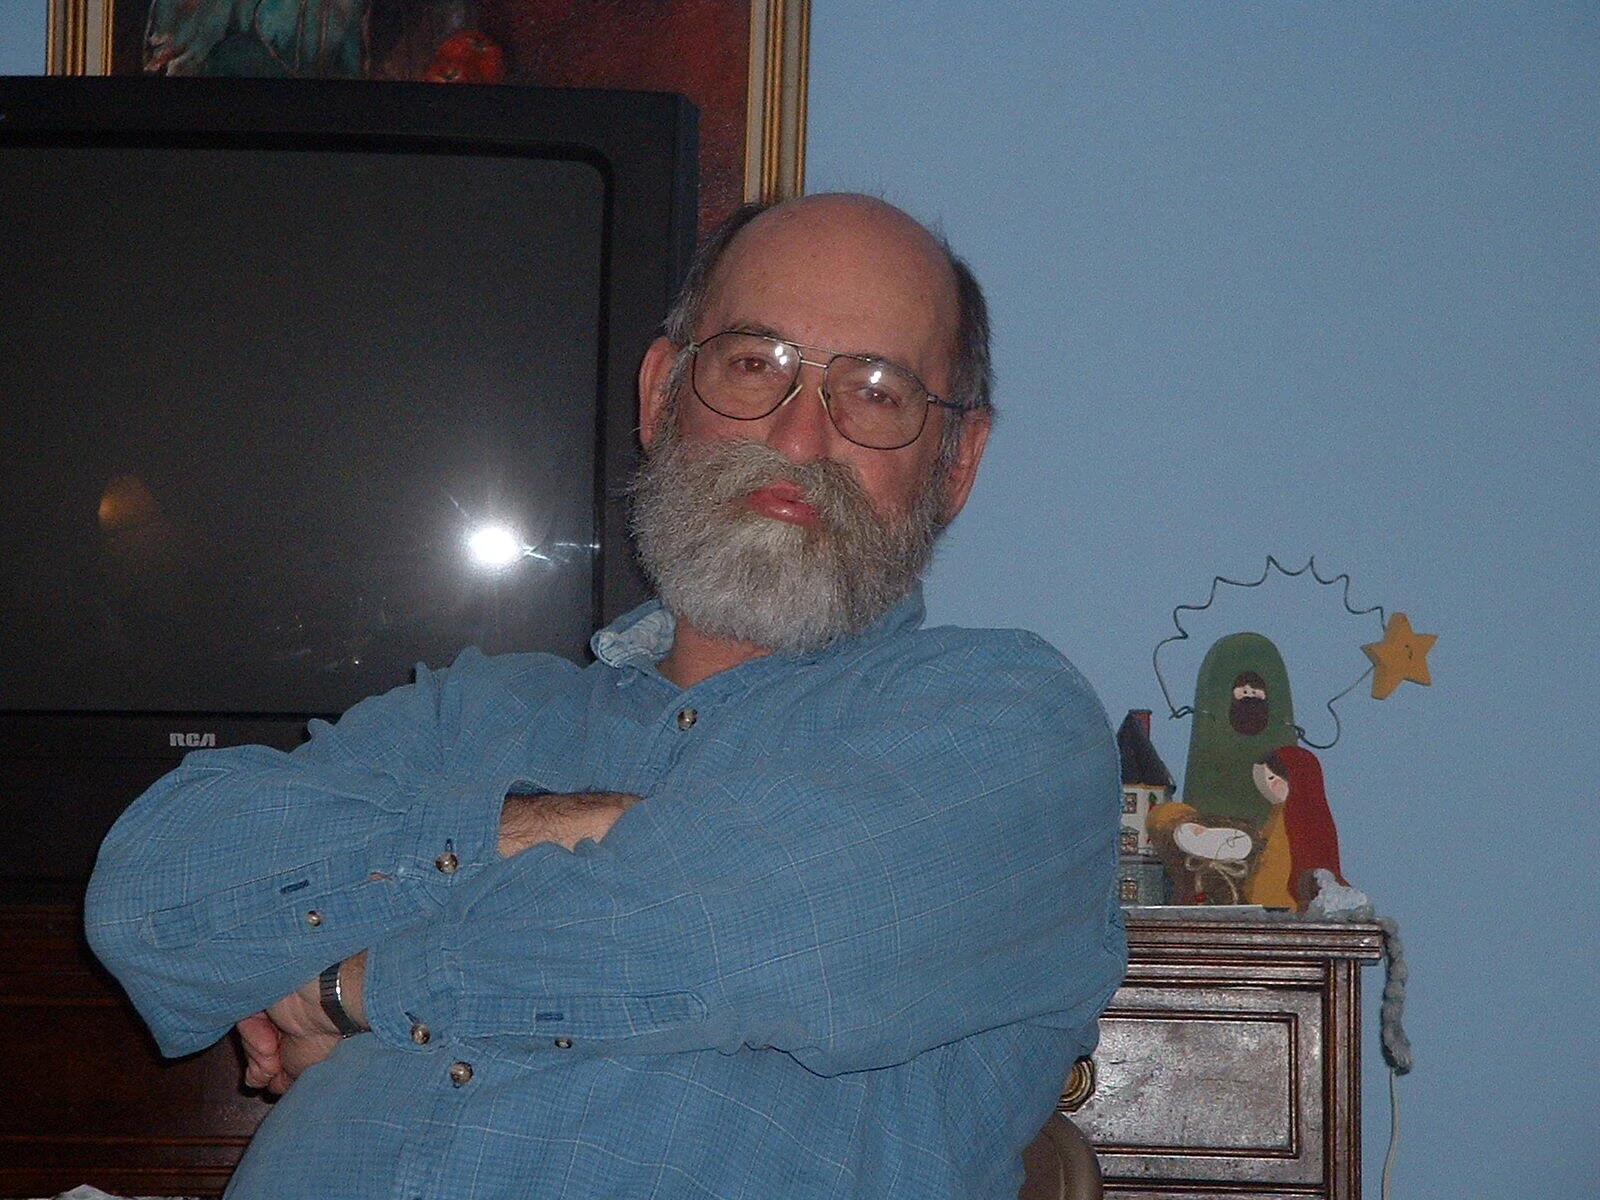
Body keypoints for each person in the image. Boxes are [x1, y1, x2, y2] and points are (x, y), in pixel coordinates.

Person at [86, 193, 1126, 1199]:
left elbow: (710, 936)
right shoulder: (471, 714)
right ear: (662, 394)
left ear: (956, 461)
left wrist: (344, 990)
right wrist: (563, 823)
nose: (799, 437)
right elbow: (150, 902)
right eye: (753, 364)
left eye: (876, 391)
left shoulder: (1011, 724)